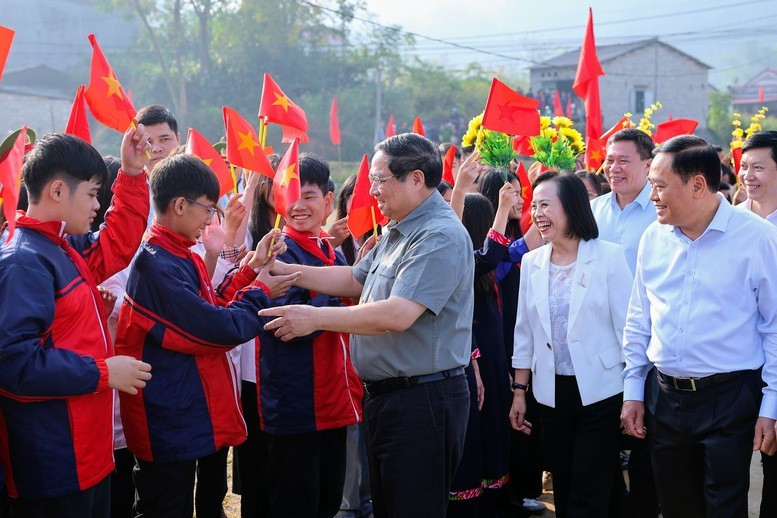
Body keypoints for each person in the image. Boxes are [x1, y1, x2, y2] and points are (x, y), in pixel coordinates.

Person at [259, 133, 474, 517]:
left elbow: (397, 314)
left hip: (422, 400)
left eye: (380, 180)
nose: (372, 190)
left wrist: (314, 318)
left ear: (416, 179)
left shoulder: (437, 234)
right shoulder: (399, 227)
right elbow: (355, 280)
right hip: (390, 397)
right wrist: (279, 269)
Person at [115, 154, 297, 517]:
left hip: (179, 412)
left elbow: (213, 304)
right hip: (166, 418)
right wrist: (260, 290)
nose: (211, 219)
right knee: (165, 506)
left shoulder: (177, 252)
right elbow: (217, 329)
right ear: (180, 205)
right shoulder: (156, 264)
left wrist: (252, 269)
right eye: (208, 209)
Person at [621, 135, 777, 517]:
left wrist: (770, 405)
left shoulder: (757, 238)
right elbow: (639, 317)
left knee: (724, 506)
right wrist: (632, 390)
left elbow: (774, 327)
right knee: (676, 506)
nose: (652, 194)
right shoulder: (652, 238)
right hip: (664, 397)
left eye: (659, 184)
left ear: (697, 185)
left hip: (730, 398)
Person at [0, 129, 154, 517]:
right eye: (91, 194)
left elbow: (116, 243)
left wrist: (133, 174)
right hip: (53, 461)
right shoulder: (25, 260)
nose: (97, 206)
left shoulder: (58, 247)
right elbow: (14, 363)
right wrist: (103, 372)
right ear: (56, 191)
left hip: (86, 453)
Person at [510, 172, 632, 517]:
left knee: (588, 484)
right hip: (552, 391)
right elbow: (525, 332)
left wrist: (635, 390)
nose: (537, 214)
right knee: (565, 478)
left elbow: (629, 330)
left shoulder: (608, 256)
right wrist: (520, 391)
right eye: (534, 206)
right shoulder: (532, 262)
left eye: (545, 205)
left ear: (573, 207)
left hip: (604, 389)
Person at [256, 154, 363, 518]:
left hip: (333, 398)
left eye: (310, 196)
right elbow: (285, 324)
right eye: (290, 195)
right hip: (298, 402)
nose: (299, 206)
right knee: (296, 502)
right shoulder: (278, 251)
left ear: (329, 201)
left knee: (327, 500)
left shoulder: (328, 249)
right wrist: (339, 299)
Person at [590, 128, 660, 516]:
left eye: (623, 160)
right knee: (601, 443)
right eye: (609, 160)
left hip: (649, 346)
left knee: (646, 443)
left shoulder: (664, 212)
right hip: (599, 348)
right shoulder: (593, 210)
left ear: (648, 165)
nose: (613, 168)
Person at [738, 131, 777, 517]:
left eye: (758, 167)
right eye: (744, 166)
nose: (747, 175)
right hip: (743, 373)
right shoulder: (730, 223)